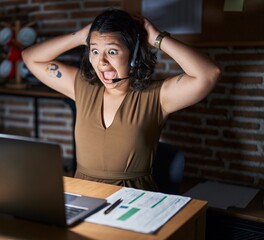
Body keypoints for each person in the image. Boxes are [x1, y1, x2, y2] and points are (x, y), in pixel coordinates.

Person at [21, 9, 220, 191]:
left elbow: (209, 74)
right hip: (84, 197)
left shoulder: (157, 96)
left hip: (134, 204)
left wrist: (157, 38)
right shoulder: (82, 86)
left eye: (112, 51)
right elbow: (30, 57)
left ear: (133, 56)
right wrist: (81, 37)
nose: (102, 62)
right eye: (95, 51)